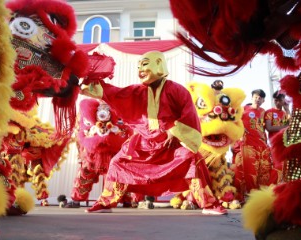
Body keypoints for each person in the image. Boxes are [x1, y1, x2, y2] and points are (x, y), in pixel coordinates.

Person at [81, 51, 226, 215]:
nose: (140, 70)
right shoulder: (137, 91)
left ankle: (209, 204)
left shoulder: (177, 90)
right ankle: (105, 202)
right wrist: (90, 81)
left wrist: (174, 131)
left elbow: (189, 115)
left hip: (170, 145)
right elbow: (114, 93)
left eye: (144, 65)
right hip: (142, 144)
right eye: (138, 67)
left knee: (193, 159)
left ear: (158, 63)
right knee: (117, 162)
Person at [232, 89, 272, 203]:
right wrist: (240, 130)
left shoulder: (264, 111)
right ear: (252, 97)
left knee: (262, 170)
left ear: (263, 100)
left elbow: (266, 127)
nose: (258, 100)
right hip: (247, 144)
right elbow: (234, 121)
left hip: (261, 145)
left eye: (260, 98)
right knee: (246, 170)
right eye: (256, 97)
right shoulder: (243, 109)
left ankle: (259, 196)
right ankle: (243, 196)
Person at [264, 90, 290, 183]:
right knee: (277, 165)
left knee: (286, 166)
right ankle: (273, 188)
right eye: (276, 100)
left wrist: (287, 109)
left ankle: (283, 188)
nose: (278, 102)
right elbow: (269, 128)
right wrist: (284, 127)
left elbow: (292, 125)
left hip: (286, 143)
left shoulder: (285, 113)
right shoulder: (269, 112)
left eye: (280, 100)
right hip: (275, 143)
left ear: (284, 100)